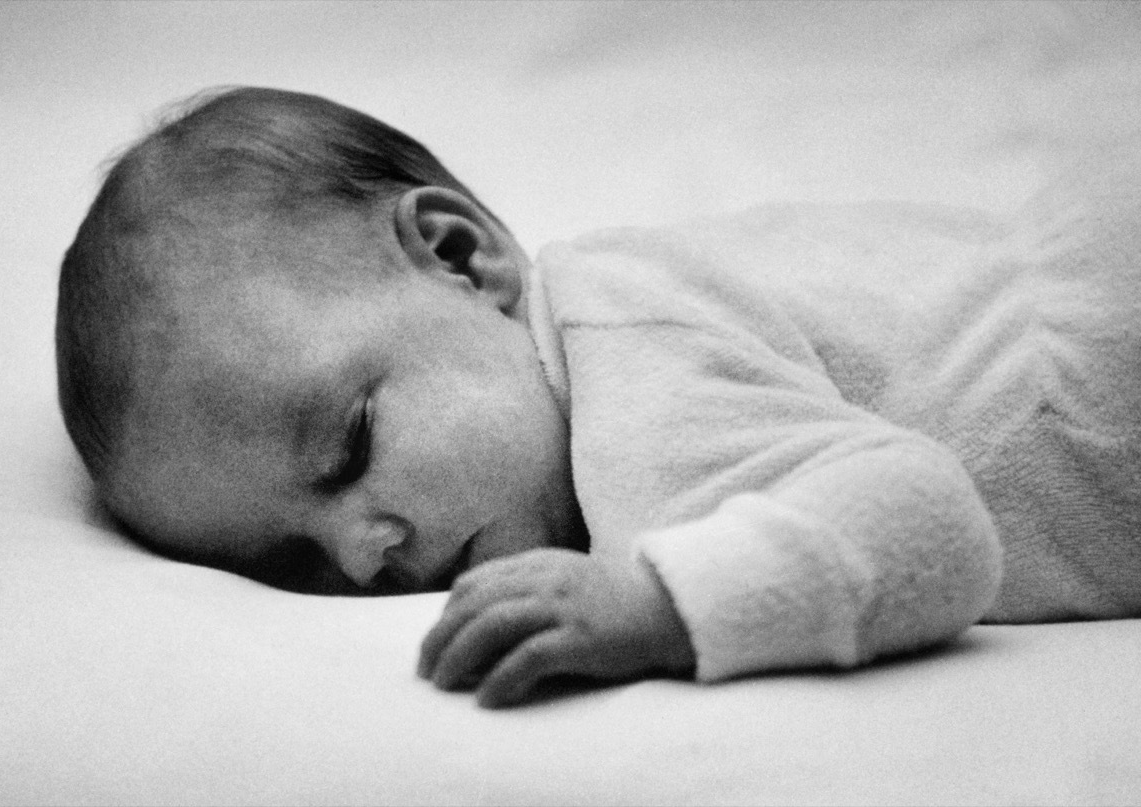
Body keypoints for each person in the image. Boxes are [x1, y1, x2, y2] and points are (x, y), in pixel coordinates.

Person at [56, 86, 1141, 708]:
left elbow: (932, 522)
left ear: (456, 256)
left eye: (348, 447)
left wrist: (662, 609)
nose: (359, 554)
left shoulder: (629, 379)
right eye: (289, 558)